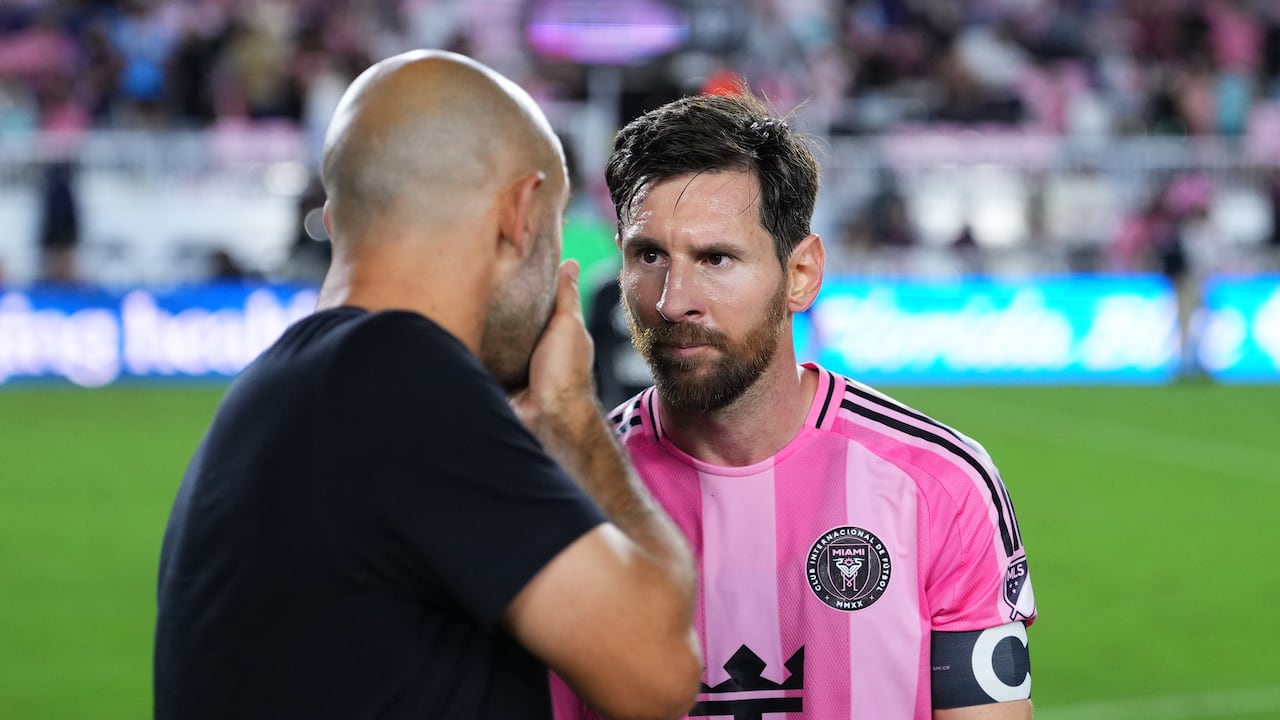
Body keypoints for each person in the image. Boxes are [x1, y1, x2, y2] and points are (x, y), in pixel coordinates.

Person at [154, 50, 703, 720]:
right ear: (520, 213)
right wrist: (572, 417)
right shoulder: (400, 379)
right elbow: (660, 672)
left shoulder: (275, 391)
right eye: (555, 231)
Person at [553, 90, 1036, 719]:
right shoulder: (567, 494)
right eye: (648, 256)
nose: (673, 301)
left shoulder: (939, 485)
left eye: (716, 258)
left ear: (801, 274)